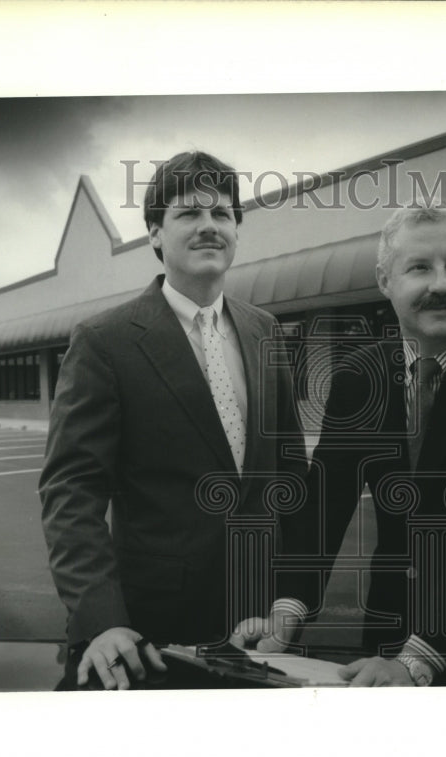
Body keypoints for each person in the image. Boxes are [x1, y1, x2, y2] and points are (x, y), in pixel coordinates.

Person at [234, 205, 446, 686]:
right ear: (385, 280)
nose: (441, 284)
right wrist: (287, 608)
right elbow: (324, 503)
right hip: (388, 628)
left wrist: (418, 656)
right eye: (419, 267)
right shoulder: (359, 377)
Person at [39, 151, 307, 690]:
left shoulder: (266, 332)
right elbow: (72, 491)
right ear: (155, 235)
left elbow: (291, 477)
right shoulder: (104, 341)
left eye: (223, 214)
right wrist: (103, 621)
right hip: (147, 639)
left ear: (236, 230)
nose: (209, 226)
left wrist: (290, 599)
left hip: (259, 633)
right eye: (189, 214)